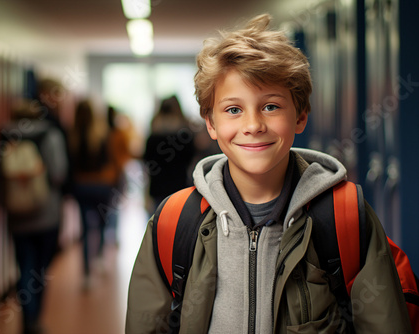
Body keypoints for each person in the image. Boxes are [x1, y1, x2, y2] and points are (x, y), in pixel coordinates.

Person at [126, 14, 411, 333]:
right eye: (234, 110)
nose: (253, 126)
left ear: (300, 116)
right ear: (211, 124)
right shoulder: (175, 222)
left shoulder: (344, 216)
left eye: (271, 107)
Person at [0, 100, 68, 334]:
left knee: (25, 265)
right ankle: (34, 318)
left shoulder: (4, 136)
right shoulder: (50, 135)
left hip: (16, 215)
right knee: (40, 268)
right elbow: (59, 173)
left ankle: (28, 318)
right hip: (46, 213)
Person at [69, 100, 120, 288]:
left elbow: (69, 167)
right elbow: (108, 161)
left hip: (81, 186)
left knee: (84, 229)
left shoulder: (72, 136)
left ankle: (86, 272)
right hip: (100, 186)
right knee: (100, 223)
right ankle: (99, 257)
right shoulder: (100, 134)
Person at [143, 95, 196, 211]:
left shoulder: (153, 137)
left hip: (157, 188)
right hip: (180, 188)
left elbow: (147, 162)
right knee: (179, 227)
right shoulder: (185, 136)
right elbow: (191, 160)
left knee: (158, 226)